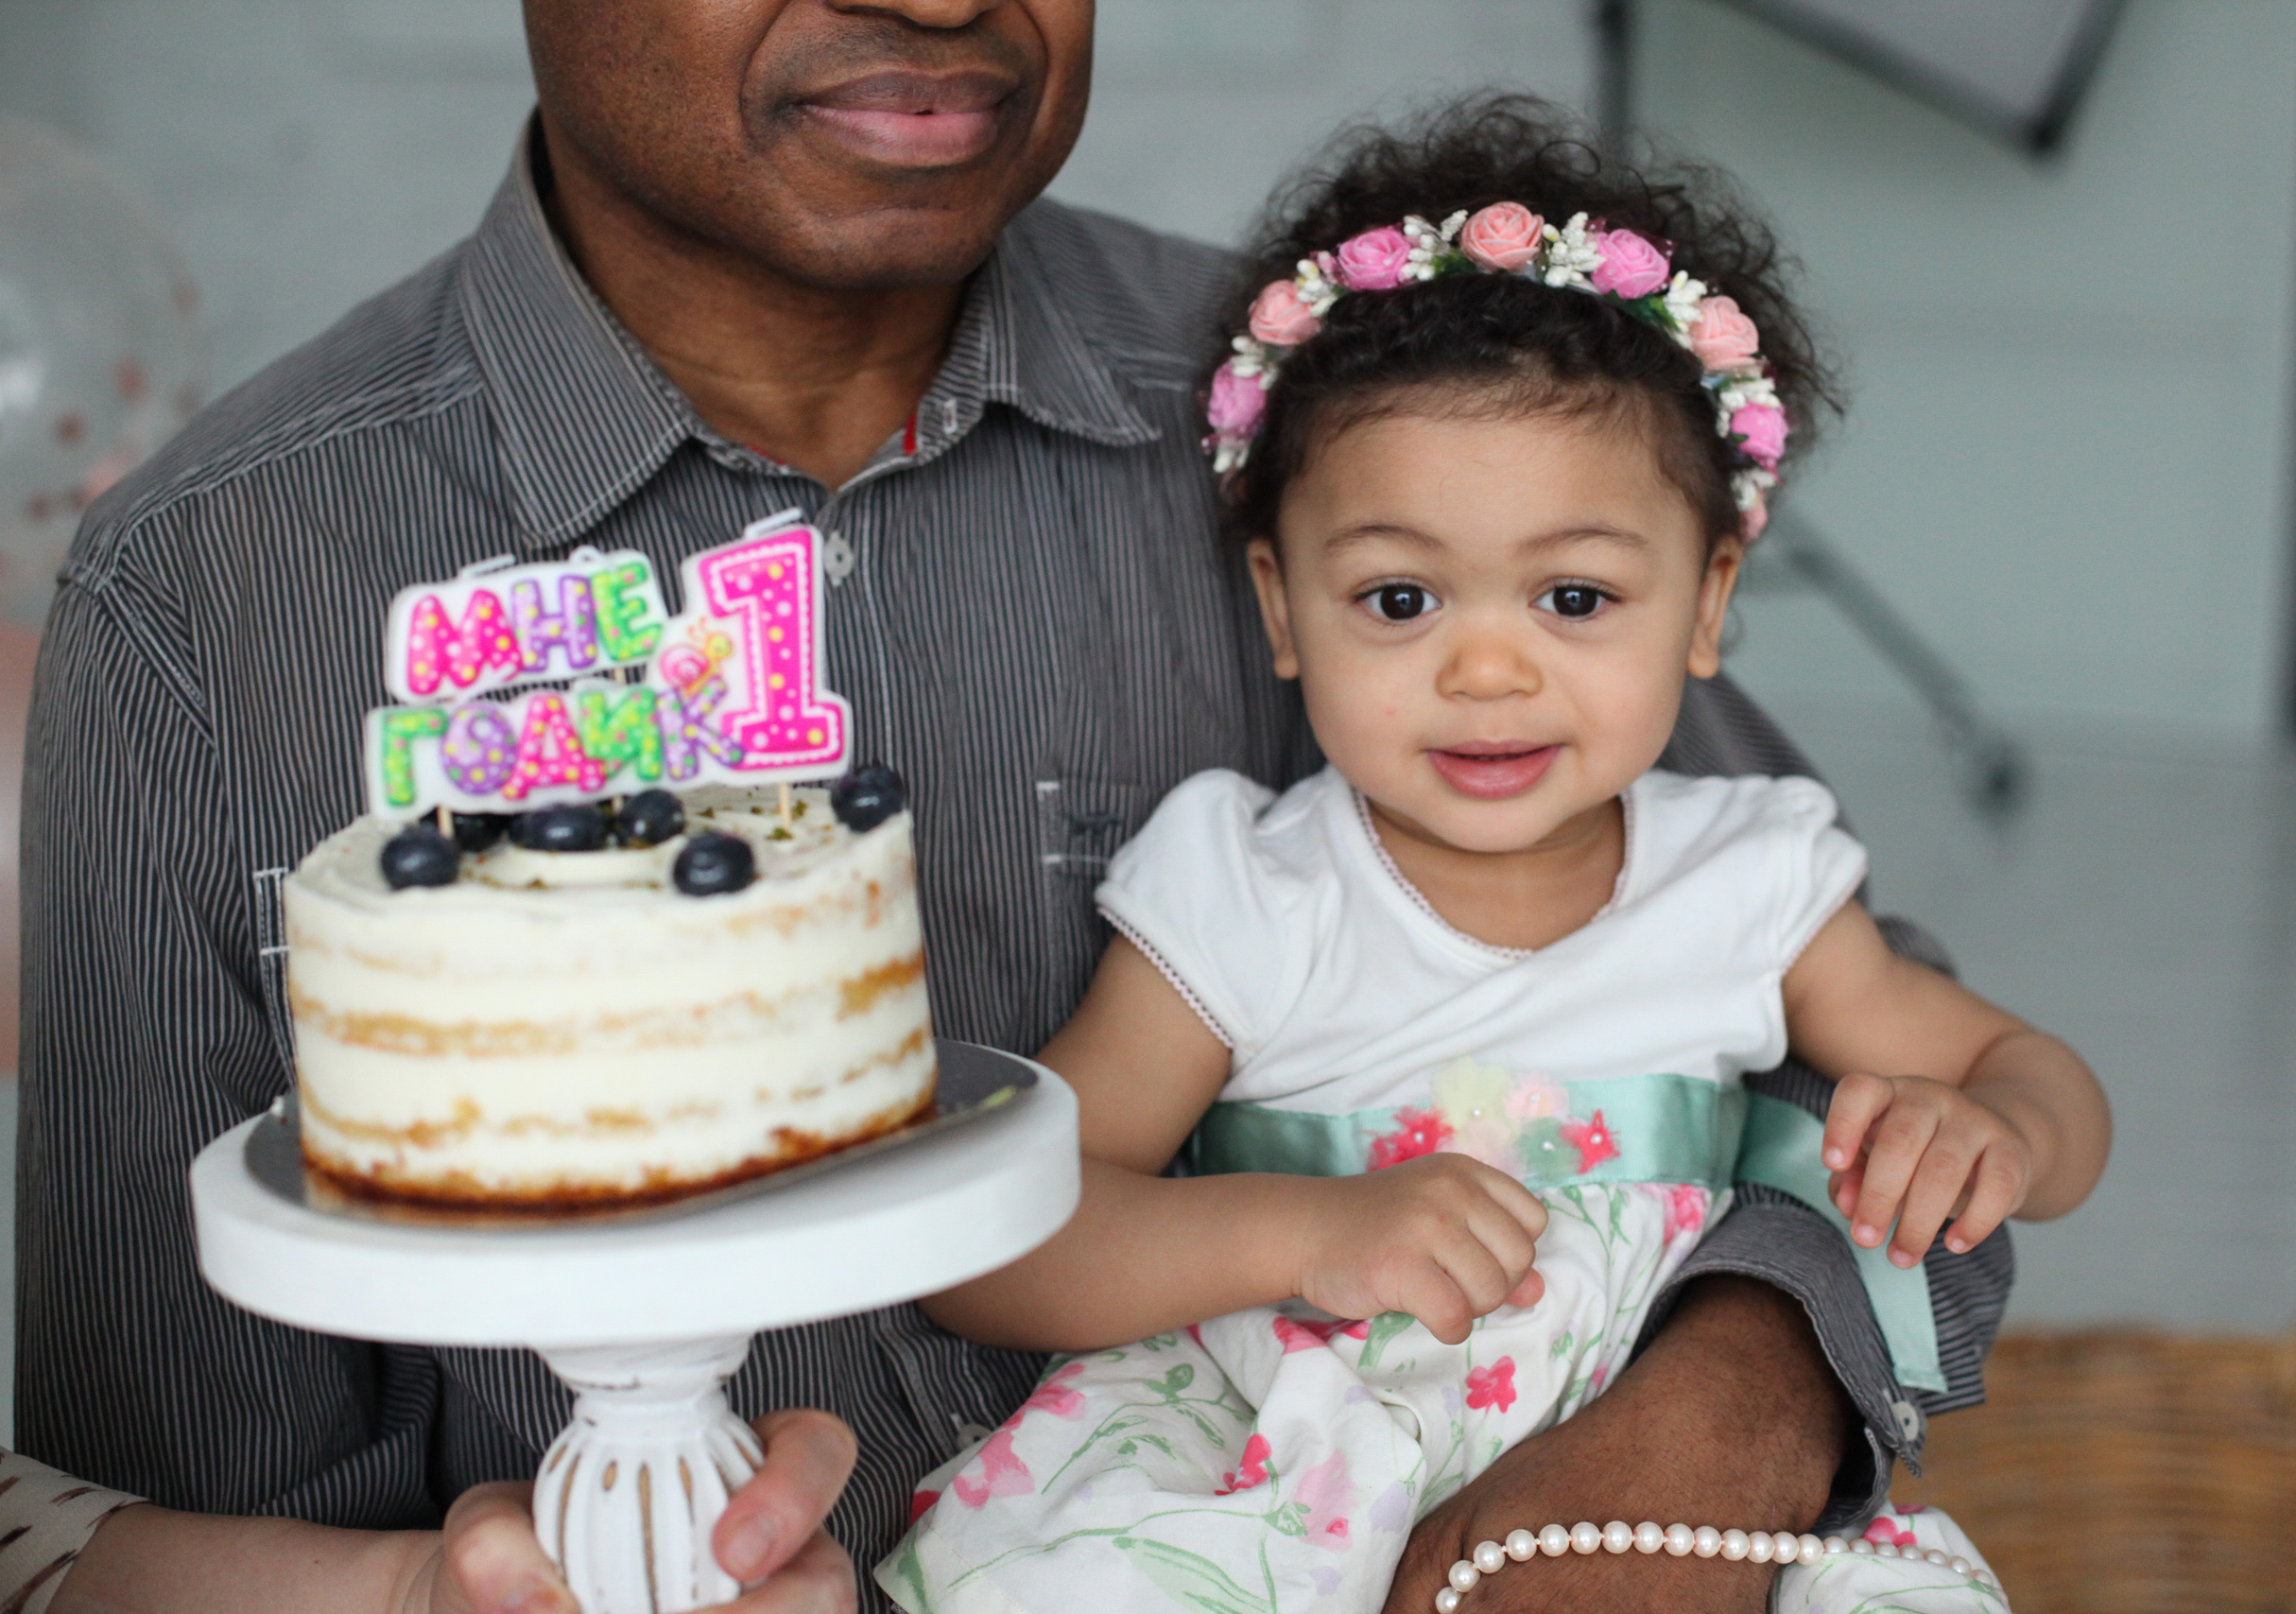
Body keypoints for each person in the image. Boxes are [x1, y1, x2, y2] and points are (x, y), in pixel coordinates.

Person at [10, 0, 2013, 1600]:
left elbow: (1848, 1050)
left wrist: (1688, 1442)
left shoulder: (1355, 426)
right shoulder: (216, 597)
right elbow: (145, 1494)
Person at [881, 106, 2110, 1614]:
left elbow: (2030, 1074)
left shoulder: (1747, 884)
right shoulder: (1256, 897)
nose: (1486, 671)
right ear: (1281, 608)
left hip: (1655, 1491)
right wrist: (1306, 1231)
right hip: (1290, 1481)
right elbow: (999, 1247)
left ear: (1709, 601)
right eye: (1400, 601)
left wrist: (2000, 1137)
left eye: (1575, 599)